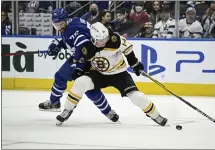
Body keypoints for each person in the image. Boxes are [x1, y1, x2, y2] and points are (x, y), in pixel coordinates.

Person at [56, 22, 168, 127]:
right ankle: (67, 109)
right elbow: (85, 62)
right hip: (99, 74)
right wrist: (79, 70)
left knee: (136, 96)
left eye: (105, 38)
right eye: (100, 40)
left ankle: (156, 115)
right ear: (93, 39)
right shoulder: (87, 47)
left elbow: (127, 49)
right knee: (80, 82)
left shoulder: (114, 39)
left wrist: (134, 63)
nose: (104, 41)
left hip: (119, 74)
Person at [38, 8, 119, 123]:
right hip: (91, 59)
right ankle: (108, 112)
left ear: (66, 20)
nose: (59, 27)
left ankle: (54, 102)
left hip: (84, 59)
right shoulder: (73, 22)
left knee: (61, 77)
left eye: (61, 24)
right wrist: (58, 44)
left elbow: (83, 46)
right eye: (56, 25)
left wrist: (78, 66)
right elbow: (71, 41)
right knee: (90, 88)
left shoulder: (71, 29)